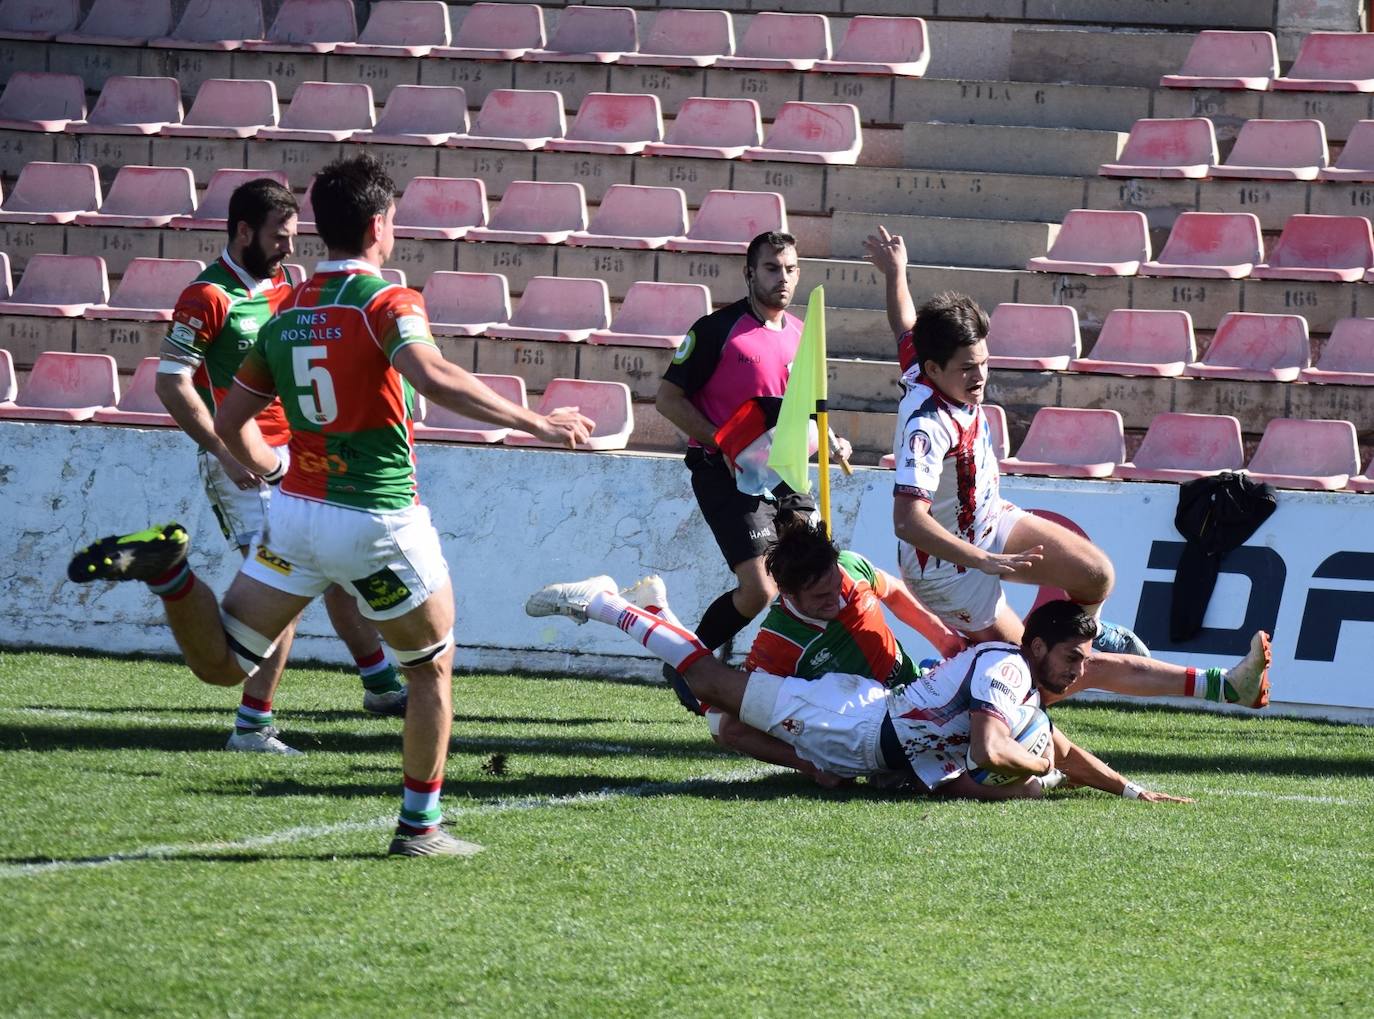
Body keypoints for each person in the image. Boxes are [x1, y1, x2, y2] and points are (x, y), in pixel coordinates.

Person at [70, 154, 594, 857]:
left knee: (225, 663)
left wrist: (275, 466)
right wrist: (537, 422)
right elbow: (431, 374)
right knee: (431, 670)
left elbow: (231, 422)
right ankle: (419, 828)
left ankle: (171, 572)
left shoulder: (288, 311)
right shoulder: (387, 301)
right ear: (380, 225)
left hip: (295, 518)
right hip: (378, 520)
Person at [647, 521, 1270, 784]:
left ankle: (1223, 685)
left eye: (839, 585)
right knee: (719, 718)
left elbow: (889, 589)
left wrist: (943, 638)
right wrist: (805, 764)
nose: (838, 597)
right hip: (862, 730)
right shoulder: (775, 645)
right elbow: (737, 725)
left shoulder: (852, 572)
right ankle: (656, 614)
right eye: (821, 596)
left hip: (910, 696)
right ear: (790, 596)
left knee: (1067, 667)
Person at [525, 576, 1193, 803]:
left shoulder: (1024, 690)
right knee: (708, 689)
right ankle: (605, 602)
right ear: (1038, 645)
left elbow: (1055, 751)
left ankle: (656, 609)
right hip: (853, 724)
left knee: (717, 704)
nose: (1079, 672)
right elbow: (994, 750)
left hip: (870, 738)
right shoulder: (1008, 668)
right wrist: (1037, 768)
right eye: (1073, 658)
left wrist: (1128, 789)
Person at [155, 178, 407, 755]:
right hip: (240, 463)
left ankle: (381, 686)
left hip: (301, 459)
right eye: (278, 237)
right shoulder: (207, 296)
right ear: (243, 231)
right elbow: (170, 384)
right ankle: (251, 726)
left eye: (294, 237)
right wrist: (224, 451)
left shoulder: (290, 287)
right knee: (282, 589)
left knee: (340, 568)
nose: (289, 249)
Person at [865, 225, 1150, 657]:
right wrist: (980, 561)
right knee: (1029, 672)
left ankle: (1083, 634)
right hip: (948, 570)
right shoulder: (927, 427)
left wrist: (895, 272)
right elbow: (907, 522)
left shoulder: (925, 364)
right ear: (935, 369)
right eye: (967, 369)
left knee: (1096, 576)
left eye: (983, 362)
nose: (979, 377)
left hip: (990, 523)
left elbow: (905, 325)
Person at [655, 230, 850, 696]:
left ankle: (800, 675)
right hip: (725, 475)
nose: (782, 278)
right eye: (770, 268)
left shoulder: (804, 336)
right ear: (748, 273)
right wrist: (724, 444)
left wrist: (830, 439)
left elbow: (801, 413)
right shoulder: (715, 330)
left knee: (818, 576)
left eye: (790, 268)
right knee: (760, 588)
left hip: (786, 473)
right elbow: (667, 399)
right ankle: (688, 662)